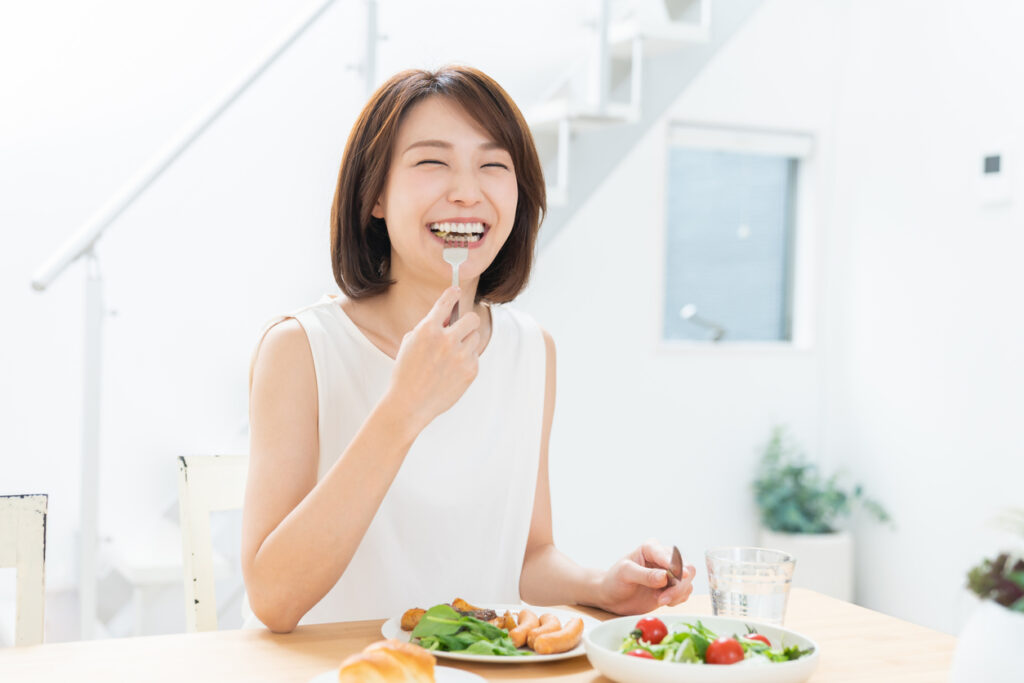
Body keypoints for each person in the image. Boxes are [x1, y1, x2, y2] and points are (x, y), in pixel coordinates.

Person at [241, 65, 696, 633]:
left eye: (493, 165)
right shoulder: (301, 348)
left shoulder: (532, 351)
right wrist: (403, 408)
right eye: (432, 162)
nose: (466, 190)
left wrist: (600, 586)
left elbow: (526, 558)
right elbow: (274, 601)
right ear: (375, 195)